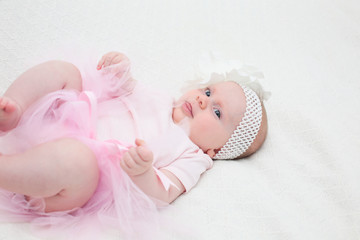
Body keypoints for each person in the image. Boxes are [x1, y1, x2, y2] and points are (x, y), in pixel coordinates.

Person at [0, 51, 268, 237]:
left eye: (216, 111)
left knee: (79, 160)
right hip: (60, 121)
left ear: (216, 150)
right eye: (208, 92)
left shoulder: (193, 157)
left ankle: (7, 169)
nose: (202, 100)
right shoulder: (161, 98)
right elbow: (120, 89)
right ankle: (14, 110)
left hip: (71, 180)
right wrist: (118, 70)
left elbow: (162, 195)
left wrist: (143, 172)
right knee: (65, 72)